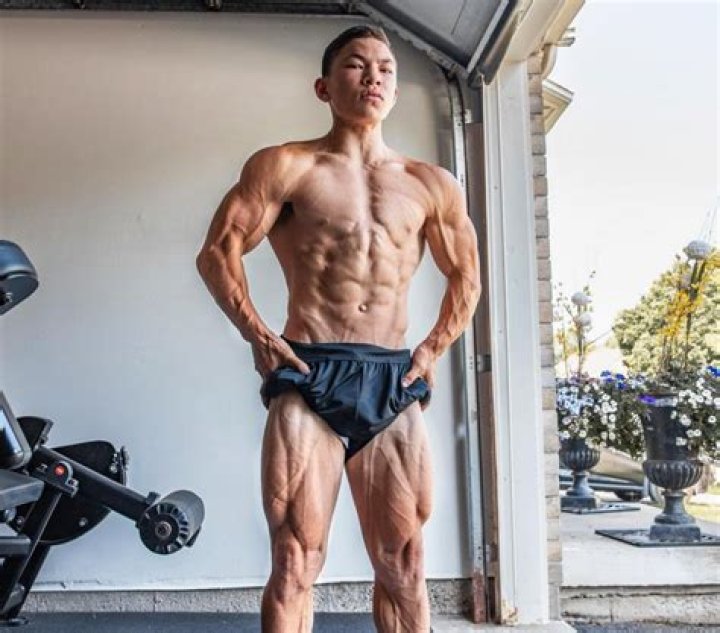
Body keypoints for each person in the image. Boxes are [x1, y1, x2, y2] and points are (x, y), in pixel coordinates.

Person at [196, 25, 481, 633]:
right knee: (295, 560)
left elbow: (467, 277)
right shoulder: (286, 166)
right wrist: (259, 335)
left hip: (391, 378)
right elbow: (219, 251)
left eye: (385, 68)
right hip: (309, 373)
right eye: (356, 64)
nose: (373, 76)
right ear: (324, 87)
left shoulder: (431, 184)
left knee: (404, 565)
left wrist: (433, 348)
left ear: (394, 91)